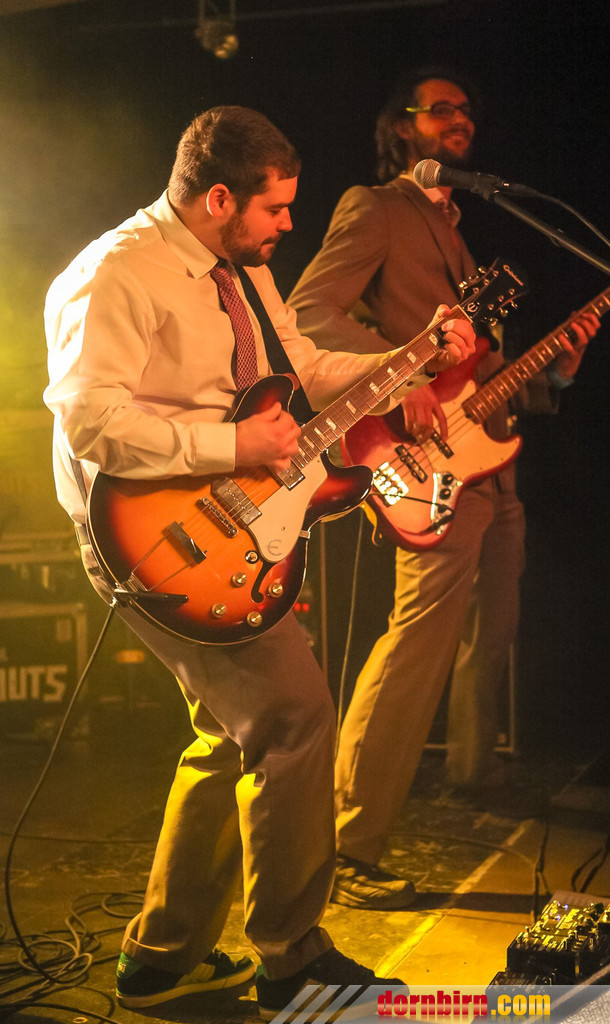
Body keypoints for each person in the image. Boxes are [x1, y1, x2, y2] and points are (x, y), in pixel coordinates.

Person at [43, 105, 476, 1017]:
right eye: (275, 207)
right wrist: (231, 446)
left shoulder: (242, 269)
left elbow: (303, 364)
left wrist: (412, 359)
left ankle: (161, 959)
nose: (288, 223)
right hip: (157, 543)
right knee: (295, 715)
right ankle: (292, 959)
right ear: (218, 198)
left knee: (230, 731)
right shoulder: (117, 271)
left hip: (226, 523)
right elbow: (89, 420)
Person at [289, 68, 600, 911]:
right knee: (417, 641)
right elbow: (308, 311)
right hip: (425, 464)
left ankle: (473, 773)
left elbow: (482, 375)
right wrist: (398, 376)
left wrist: (555, 370)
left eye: (467, 108)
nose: (461, 118)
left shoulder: (458, 234)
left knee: (494, 628)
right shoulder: (376, 207)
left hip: (487, 464)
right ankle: (346, 844)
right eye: (442, 109)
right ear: (403, 128)